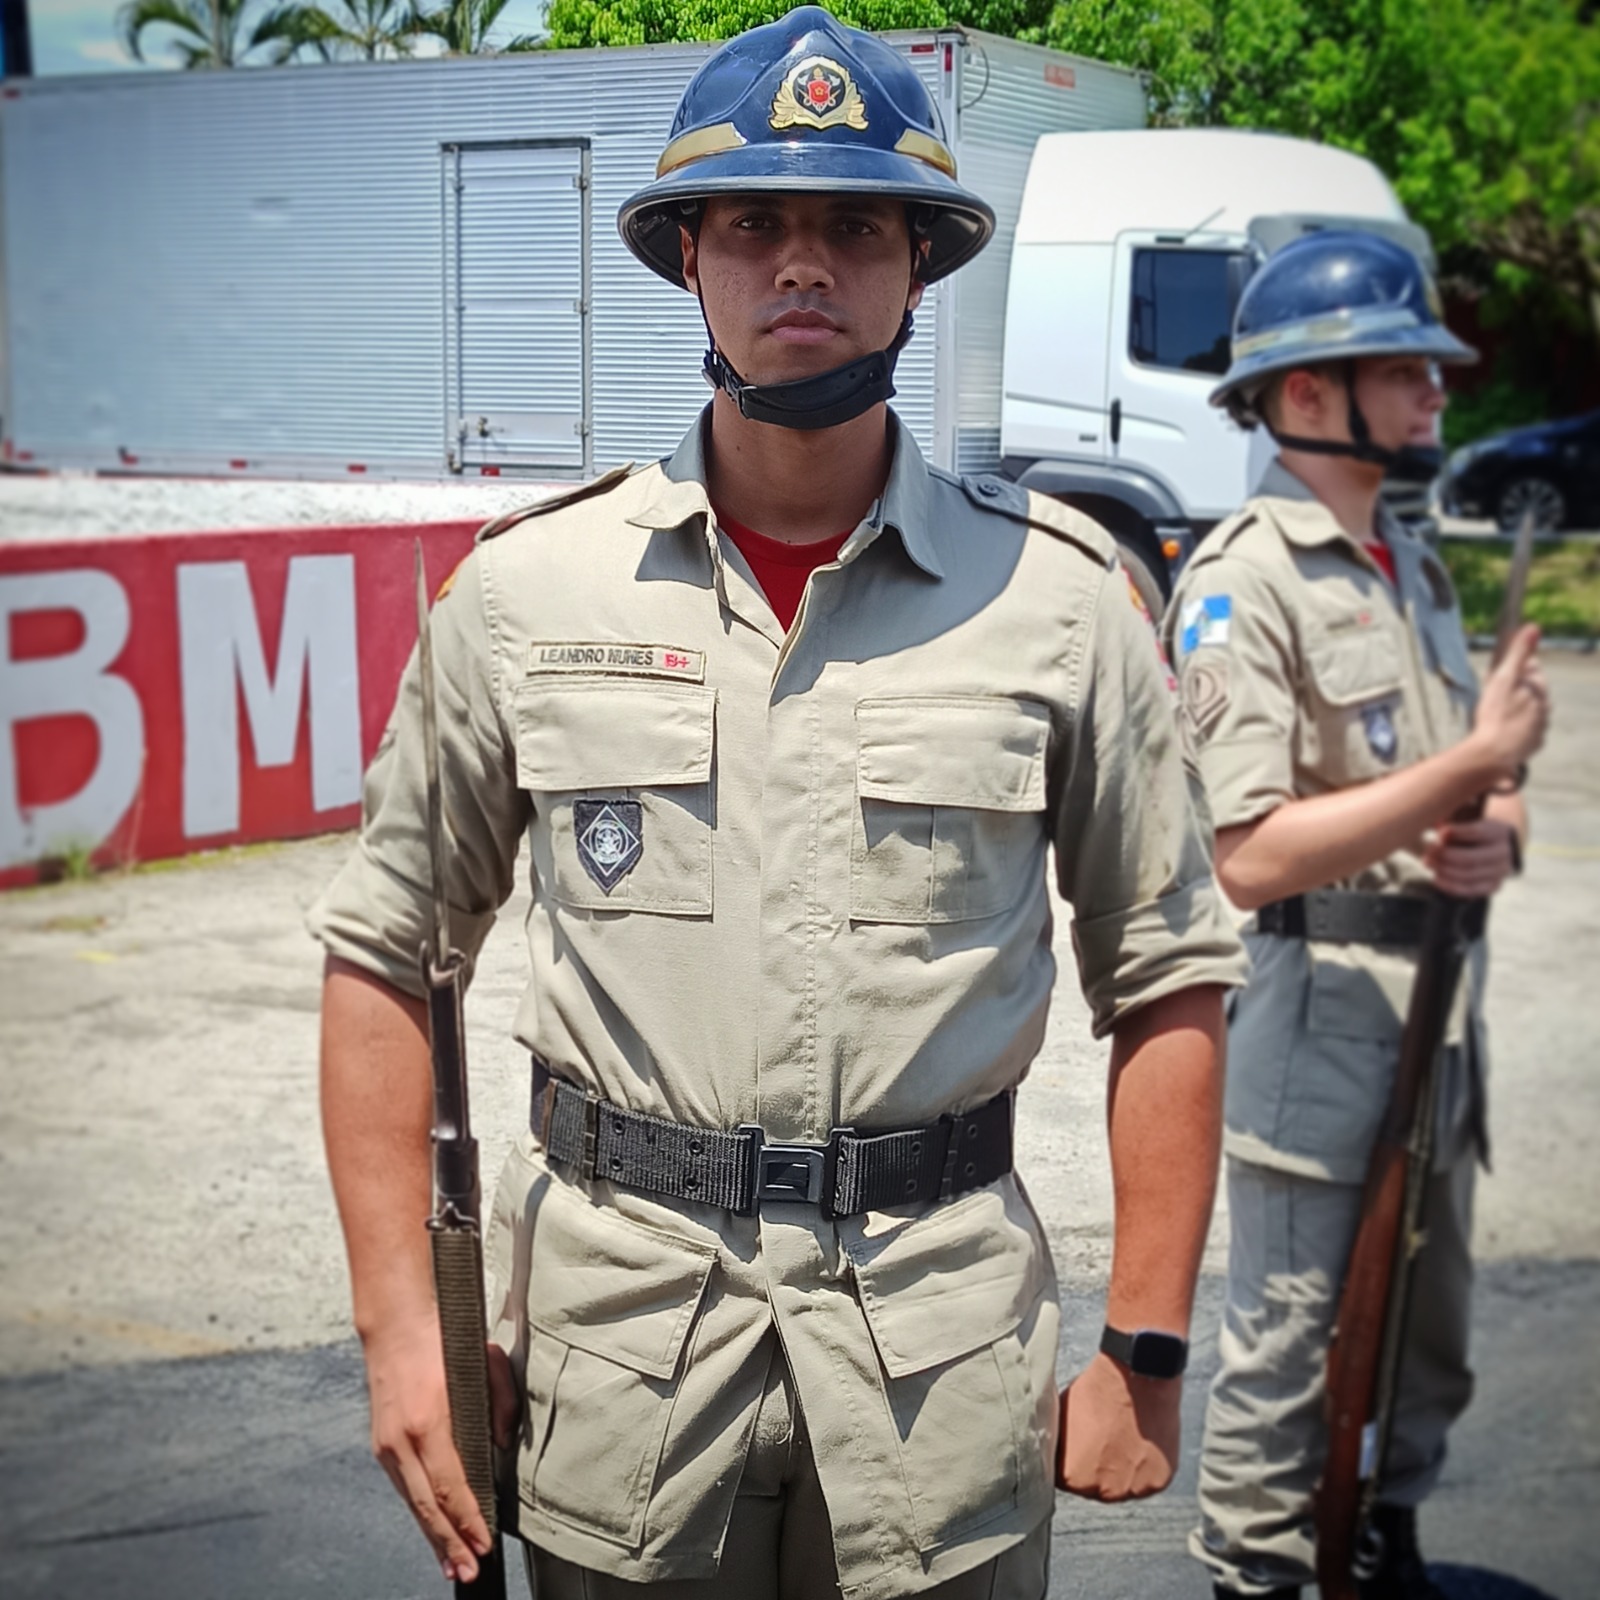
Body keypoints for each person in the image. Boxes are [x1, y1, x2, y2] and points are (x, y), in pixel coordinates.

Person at [311, 9, 1247, 1597]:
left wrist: (1146, 1349)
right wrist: (405, 1331)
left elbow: (1170, 974)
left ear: (918, 266)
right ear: (690, 257)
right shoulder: (530, 593)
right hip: (620, 1377)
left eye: (856, 226)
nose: (802, 264)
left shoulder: (1059, 600)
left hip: (940, 1379)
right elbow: (386, 952)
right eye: (753, 222)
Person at [1162, 231, 1551, 1600]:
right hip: (1322, 1024)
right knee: (1290, 1350)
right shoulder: (1242, 580)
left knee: (1422, 1335)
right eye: (1406, 370)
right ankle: (1259, 1576)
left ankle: (1387, 1541)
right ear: (1308, 394)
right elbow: (1251, 854)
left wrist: (1496, 827)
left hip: (1438, 1018)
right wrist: (1463, 772)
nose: (1439, 392)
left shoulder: (1411, 565)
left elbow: (1478, 790)